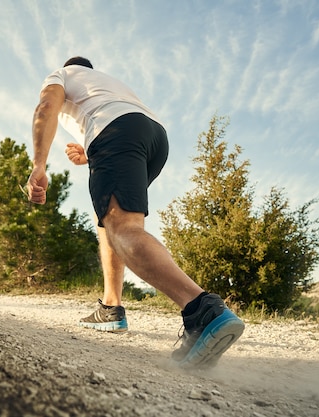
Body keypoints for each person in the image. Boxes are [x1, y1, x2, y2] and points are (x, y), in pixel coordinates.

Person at [26, 56, 244, 368]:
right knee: (110, 220)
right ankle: (111, 307)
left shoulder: (62, 74)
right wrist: (91, 154)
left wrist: (38, 165)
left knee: (124, 229)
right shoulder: (105, 82)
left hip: (116, 132)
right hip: (153, 136)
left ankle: (202, 309)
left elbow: (45, 108)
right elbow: (123, 119)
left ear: (72, 66)